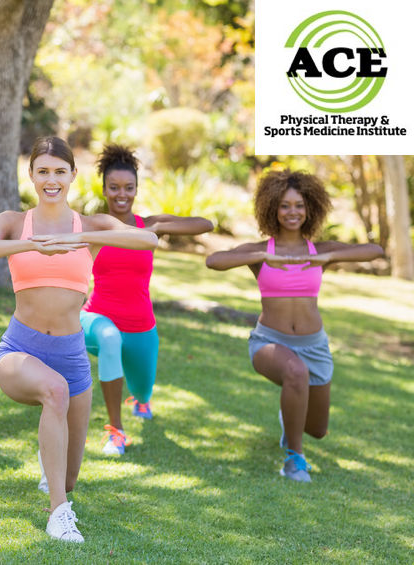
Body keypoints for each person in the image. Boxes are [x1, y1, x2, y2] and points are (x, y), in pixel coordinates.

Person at [0, 136, 158, 542]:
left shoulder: (90, 226)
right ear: (32, 175)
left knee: (67, 479)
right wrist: (30, 245)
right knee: (55, 391)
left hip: (71, 354)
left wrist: (78, 240)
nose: (52, 180)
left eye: (60, 172)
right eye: (43, 171)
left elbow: (148, 239)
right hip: (20, 349)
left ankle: (54, 469)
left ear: (72, 176)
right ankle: (58, 517)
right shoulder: (14, 221)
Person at [205, 169, 383, 482]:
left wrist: (326, 258)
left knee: (318, 429)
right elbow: (214, 260)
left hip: (314, 346)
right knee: (295, 371)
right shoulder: (262, 253)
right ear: (272, 208)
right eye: (285, 205)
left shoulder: (319, 251)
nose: (292, 212)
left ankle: (290, 416)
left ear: (310, 208)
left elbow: (375, 251)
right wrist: (263, 255)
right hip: (269, 342)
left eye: (299, 205)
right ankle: (294, 460)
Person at [81, 144, 213, 455]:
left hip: (140, 325)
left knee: (142, 388)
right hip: (96, 316)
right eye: (114, 187)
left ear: (137, 189)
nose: (121, 194)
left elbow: (206, 224)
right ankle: (116, 432)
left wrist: (158, 227)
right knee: (109, 339)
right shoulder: (94, 225)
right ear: (104, 189)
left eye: (128, 187)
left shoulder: (147, 225)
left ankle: (141, 400)